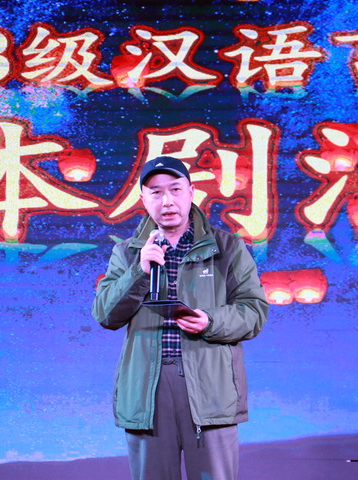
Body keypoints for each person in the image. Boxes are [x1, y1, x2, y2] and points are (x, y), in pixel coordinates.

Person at [92, 156, 268, 480]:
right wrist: (138, 271)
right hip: (148, 387)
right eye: (156, 192)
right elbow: (105, 314)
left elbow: (254, 310)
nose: (167, 201)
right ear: (143, 199)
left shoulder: (227, 247)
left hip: (210, 385)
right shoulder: (128, 252)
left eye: (175, 189)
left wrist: (210, 322)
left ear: (191, 192)